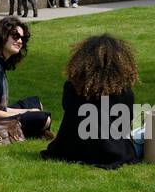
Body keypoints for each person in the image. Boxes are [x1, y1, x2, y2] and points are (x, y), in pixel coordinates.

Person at [42, 35, 141, 168]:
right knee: (147, 133)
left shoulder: (71, 86)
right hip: (111, 152)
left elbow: (68, 110)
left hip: (70, 149)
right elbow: (124, 124)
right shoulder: (124, 91)